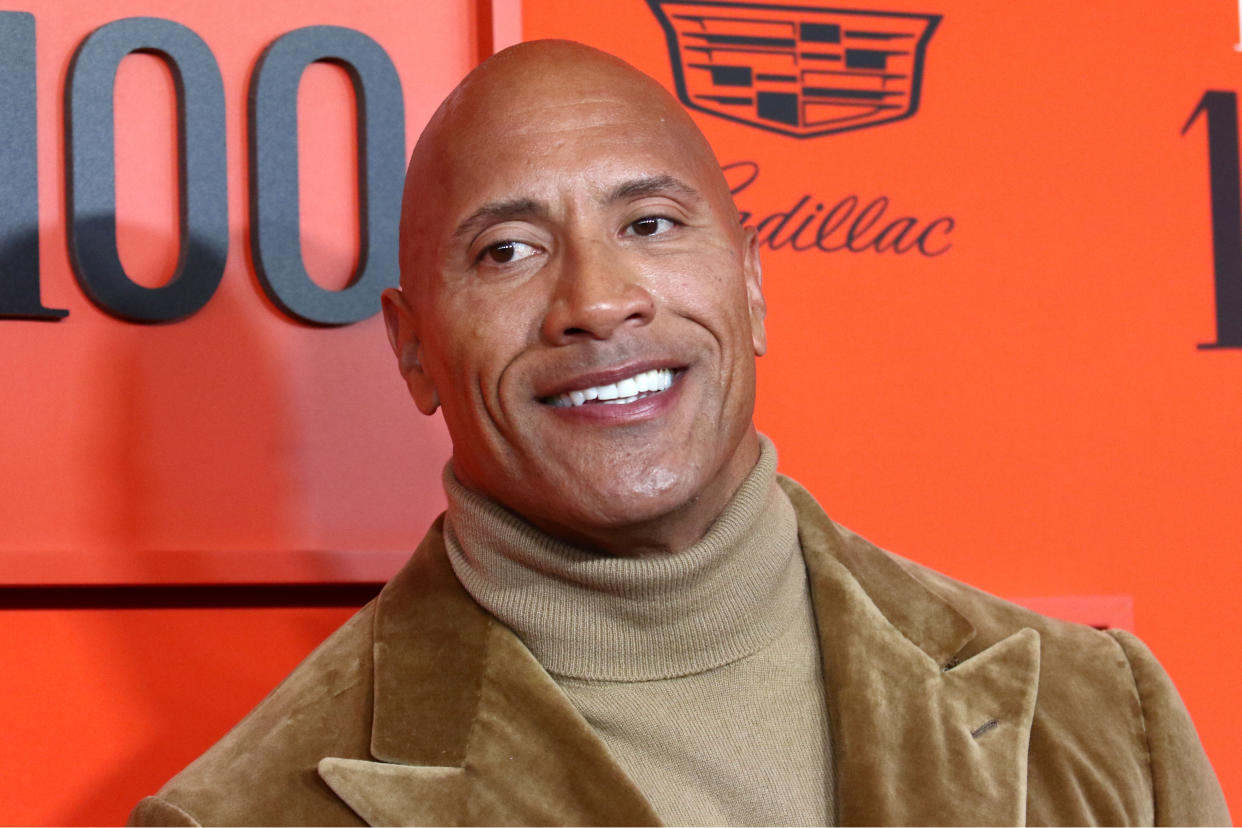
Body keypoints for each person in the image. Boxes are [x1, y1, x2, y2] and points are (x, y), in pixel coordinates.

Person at [129, 40, 1229, 826]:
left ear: (751, 286)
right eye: (507, 251)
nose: (597, 301)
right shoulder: (251, 812)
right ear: (412, 348)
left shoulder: (1098, 714)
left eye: (649, 225)